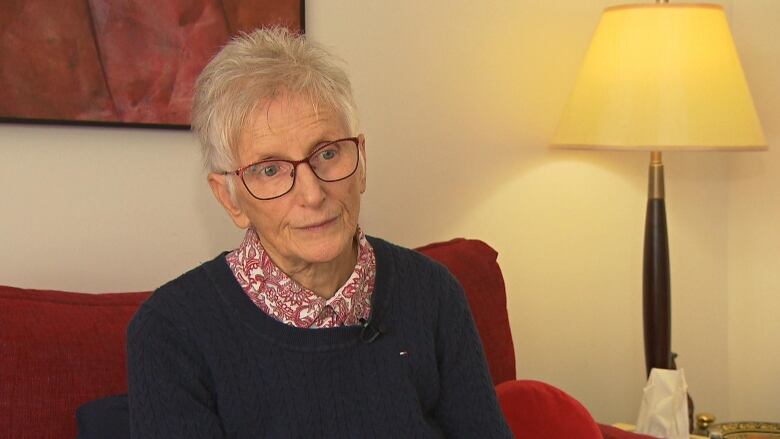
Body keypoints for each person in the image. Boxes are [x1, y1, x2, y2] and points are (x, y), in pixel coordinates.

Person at [127, 27, 512, 438]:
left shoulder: (433, 294)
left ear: (361, 160)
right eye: (270, 170)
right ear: (231, 199)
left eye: (327, 153)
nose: (312, 194)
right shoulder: (170, 332)